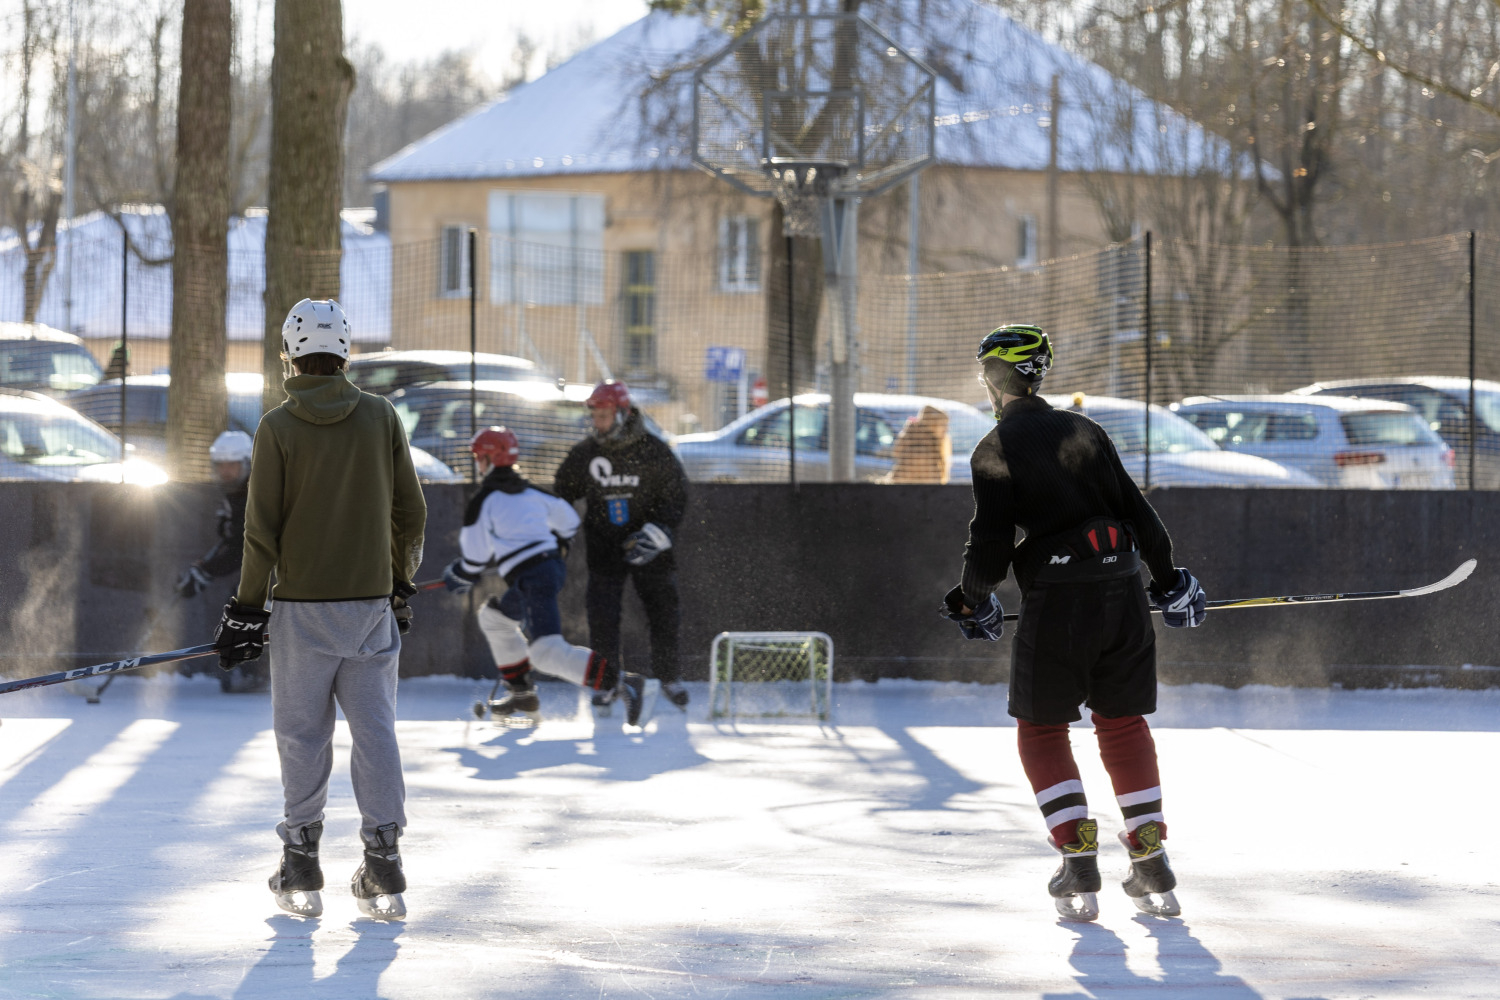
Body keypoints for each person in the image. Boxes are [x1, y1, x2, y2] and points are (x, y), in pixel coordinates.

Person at [939, 323, 1206, 922]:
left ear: (993, 378)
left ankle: (1078, 857)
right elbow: (1140, 516)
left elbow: (989, 543)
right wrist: (1170, 583)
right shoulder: (1086, 430)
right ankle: (1150, 853)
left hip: (1057, 605)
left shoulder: (995, 448)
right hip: (1123, 591)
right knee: (1121, 723)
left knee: (1041, 730)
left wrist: (973, 599)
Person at [213, 298, 427, 921]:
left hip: (300, 614)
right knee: (376, 732)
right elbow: (409, 514)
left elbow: (261, 531)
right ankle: (383, 859)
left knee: (303, 735)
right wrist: (399, 584)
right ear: (345, 352)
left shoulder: (277, 427)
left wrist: (247, 609)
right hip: (368, 610)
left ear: (289, 353)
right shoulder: (382, 416)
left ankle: (302, 859)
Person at [443, 426, 658, 728]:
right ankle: (522, 695)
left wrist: (459, 574)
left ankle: (623, 683)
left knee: (545, 652)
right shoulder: (534, 493)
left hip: (533, 578)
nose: (478, 464)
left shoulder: (484, 501)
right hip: (544, 571)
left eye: (480, 458)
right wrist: (559, 544)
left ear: (491, 459)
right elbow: (568, 521)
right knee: (496, 619)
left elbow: (475, 557)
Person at [554, 380, 691, 712]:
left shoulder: (653, 450)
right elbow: (561, 494)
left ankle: (669, 679)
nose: (597, 422)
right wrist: (556, 534)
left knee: (663, 613)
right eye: (594, 416)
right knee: (602, 618)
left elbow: (677, 495)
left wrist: (658, 532)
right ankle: (607, 682)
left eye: (603, 415)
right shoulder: (585, 453)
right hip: (604, 550)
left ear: (622, 413)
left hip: (651, 550)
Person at [175, 431, 265, 692]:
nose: (226, 471)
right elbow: (234, 538)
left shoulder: (258, 492)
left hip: (287, 566)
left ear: (247, 463)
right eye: (221, 466)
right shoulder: (235, 492)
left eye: (232, 465)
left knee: (247, 602)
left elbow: (245, 547)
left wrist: (206, 572)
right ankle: (247, 669)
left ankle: (253, 673)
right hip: (265, 565)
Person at [887, 404, 952, 484]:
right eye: (943, 425)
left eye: (946, 425)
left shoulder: (932, 447)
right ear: (931, 425)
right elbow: (898, 482)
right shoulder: (919, 452)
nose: (947, 429)